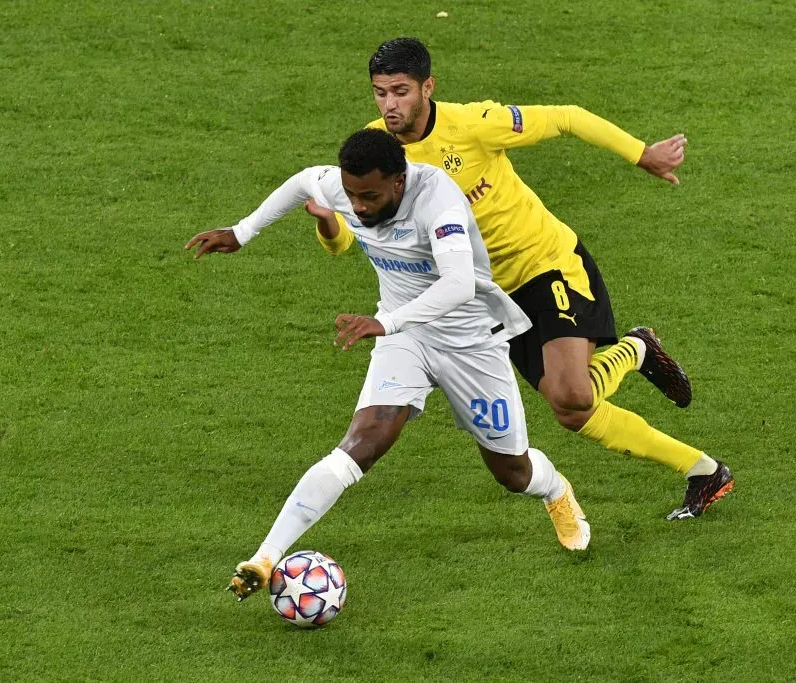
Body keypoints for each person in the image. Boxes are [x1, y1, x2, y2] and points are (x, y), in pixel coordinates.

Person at [311, 38, 732, 520]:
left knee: (573, 393)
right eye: (380, 93)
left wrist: (643, 155)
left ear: (428, 87)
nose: (389, 105)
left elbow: (567, 116)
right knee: (572, 412)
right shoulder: (376, 154)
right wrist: (328, 226)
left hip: (545, 264)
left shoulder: (474, 125)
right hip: (487, 298)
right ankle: (697, 456)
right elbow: (347, 239)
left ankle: (679, 426)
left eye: (400, 91)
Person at [186, 129, 590, 601]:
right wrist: (242, 231)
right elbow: (301, 181)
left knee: (511, 473)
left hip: (471, 345)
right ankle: (264, 556)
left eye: (370, 196)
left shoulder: (437, 198)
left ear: (399, 181)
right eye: (351, 194)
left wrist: (389, 322)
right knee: (362, 443)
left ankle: (555, 490)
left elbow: (459, 283)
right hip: (407, 339)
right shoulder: (347, 186)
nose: (357, 207)